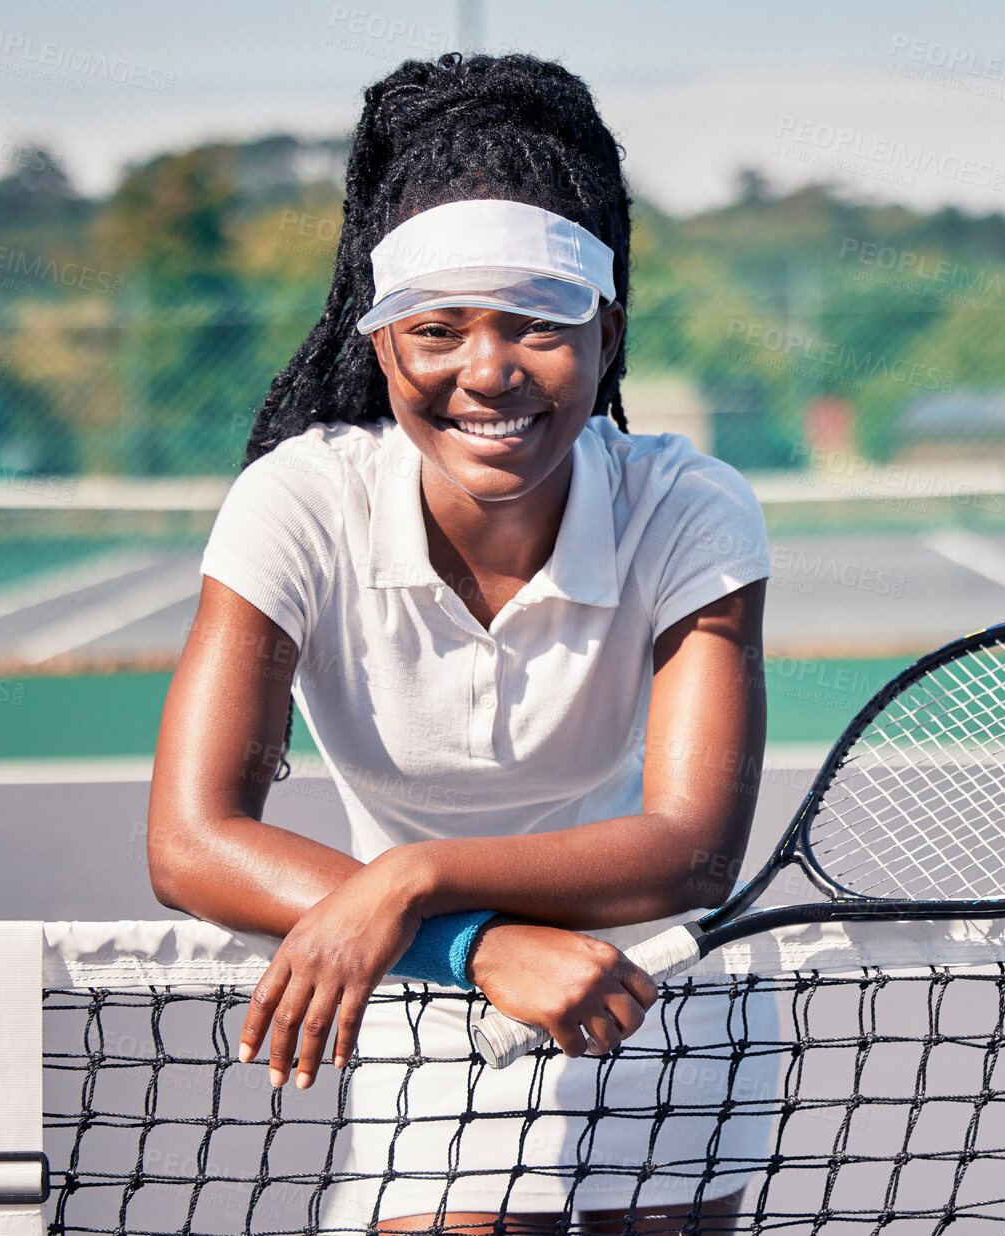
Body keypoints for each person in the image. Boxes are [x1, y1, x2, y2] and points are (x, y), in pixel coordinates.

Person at [146, 52, 775, 1233]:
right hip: (428, 984)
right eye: (437, 330)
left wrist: (417, 874)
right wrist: (472, 942)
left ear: (606, 337)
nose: (487, 371)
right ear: (383, 348)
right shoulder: (301, 501)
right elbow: (190, 842)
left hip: (669, 983)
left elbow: (691, 853)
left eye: (539, 326)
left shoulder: (690, 506)